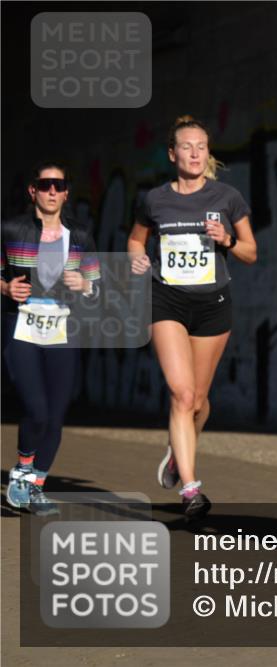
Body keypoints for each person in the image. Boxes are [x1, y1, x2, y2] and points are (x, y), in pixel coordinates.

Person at [128, 116, 257, 521]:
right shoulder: (155, 200)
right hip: (165, 301)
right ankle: (190, 489)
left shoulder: (227, 197)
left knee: (200, 403)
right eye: (187, 146)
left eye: (202, 146)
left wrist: (228, 240)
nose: (196, 153)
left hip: (213, 305)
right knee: (182, 395)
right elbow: (136, 238)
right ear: (173, 154)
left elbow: (252, 252)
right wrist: (136, 257)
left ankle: (176, 457)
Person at [2, 161, 101, 515]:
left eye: (59, 185)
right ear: (33, 191)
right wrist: (4, 286)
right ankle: (22, 472)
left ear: (66, 193)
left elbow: (98, 287)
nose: (52, 191)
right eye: (45, 185)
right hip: (23, 326)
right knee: (37, 409)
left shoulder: (82, 235)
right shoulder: (10, 229)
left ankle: (36, 486)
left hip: (63, 329)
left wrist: (86, 284)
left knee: (56, 416)